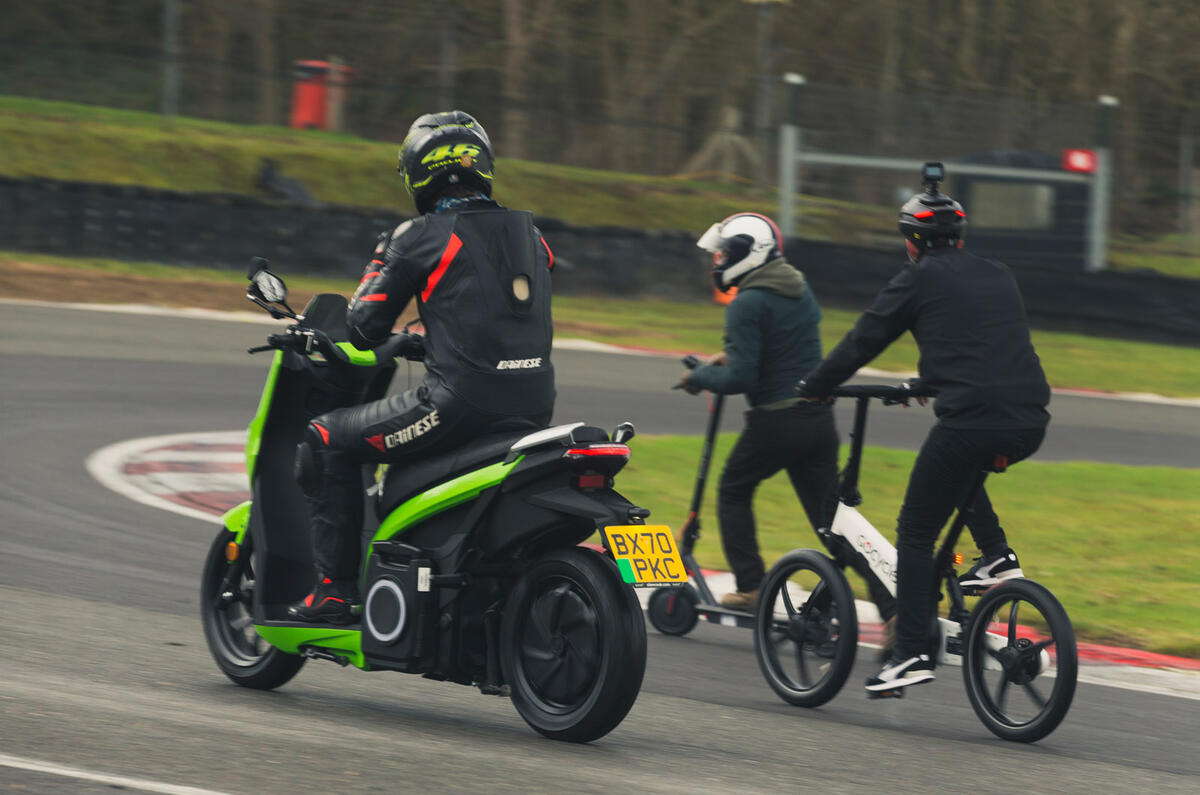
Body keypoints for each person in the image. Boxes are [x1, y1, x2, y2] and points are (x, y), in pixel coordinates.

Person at [289, 111, 556, 623]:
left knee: (326, 438)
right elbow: (495, 314)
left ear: (417, 171)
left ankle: (333, 593)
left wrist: (338, 330)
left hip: (458, 405)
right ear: (481, 164)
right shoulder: (534, 236)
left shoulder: (417, 236)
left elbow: (363, 327)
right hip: (534, 407)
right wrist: (429, 339)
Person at [798, 164, 1050, 693]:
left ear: (912, 242)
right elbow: (982, 343)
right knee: (962, 466)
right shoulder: (998, 272)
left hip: (973, 420)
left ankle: (911, 652)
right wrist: (929, 380)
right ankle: (997, 555)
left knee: (915, 529)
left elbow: (863, 340)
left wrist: (816, 386)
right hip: (1029, 421)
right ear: (959, 237)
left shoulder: (915, 277)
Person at [678, 212, 894, 619]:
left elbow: (743, 375)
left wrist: (699, 376)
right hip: (817, 421)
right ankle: (891, 606)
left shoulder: (747, 302)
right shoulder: (797, 287)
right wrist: (733, 356)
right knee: (832, 521)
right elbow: (782, 346)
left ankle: (751, 587)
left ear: (748, 254)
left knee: (732, 490)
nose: (719, 260)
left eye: (726, 252)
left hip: (776, 422)